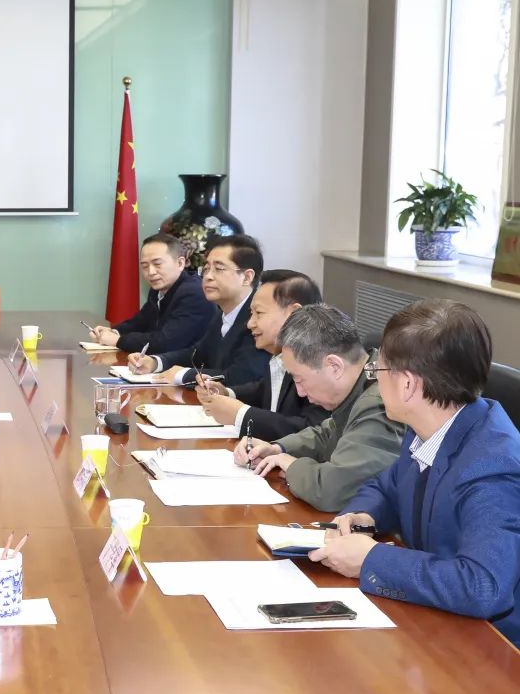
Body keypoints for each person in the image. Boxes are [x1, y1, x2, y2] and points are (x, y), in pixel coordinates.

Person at [309, 300, 520, 647]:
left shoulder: (493, 467)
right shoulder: (428, 427)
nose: (374, 378)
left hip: (491, 646)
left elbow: (483, 587)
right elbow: (388, 486)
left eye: (378, 369)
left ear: (407, 385)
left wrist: (371, 559)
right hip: (434, 619)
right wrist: (363, 515)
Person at [235, 304, 405, 512]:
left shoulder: (380, 402)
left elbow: (331, 491)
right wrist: (278, 448)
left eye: (299, 379)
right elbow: (330, 432)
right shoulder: (363, 380)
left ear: (334, 366)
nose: (300, 392)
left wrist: (290, 464)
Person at [196, 269, 329, 440]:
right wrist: (226, 393)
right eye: (251, 314)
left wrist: (240, 414)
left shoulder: (322, 362)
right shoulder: (280, 354)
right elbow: (265, 390)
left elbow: (313, 432)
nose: (250, 324)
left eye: (258, 313)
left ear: (294, 314)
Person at [128, 234, 270, 386]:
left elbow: (242, 376)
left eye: (219, 269)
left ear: (247, 277)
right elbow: (198, 354)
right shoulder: (222, 312)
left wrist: (182, 375)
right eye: (206, 268)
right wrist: (156, 362)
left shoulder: (260, 319)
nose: (208, 276)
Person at [89, 232, 214, 353]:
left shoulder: (194, 293)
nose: (151, 272)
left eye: (157, 264)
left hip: (192, 365)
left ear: (180, 263)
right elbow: (141, 322)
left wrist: (118, 341)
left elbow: (166, 342)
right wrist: (114, 332)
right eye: (144, 266)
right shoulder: (159, 288)